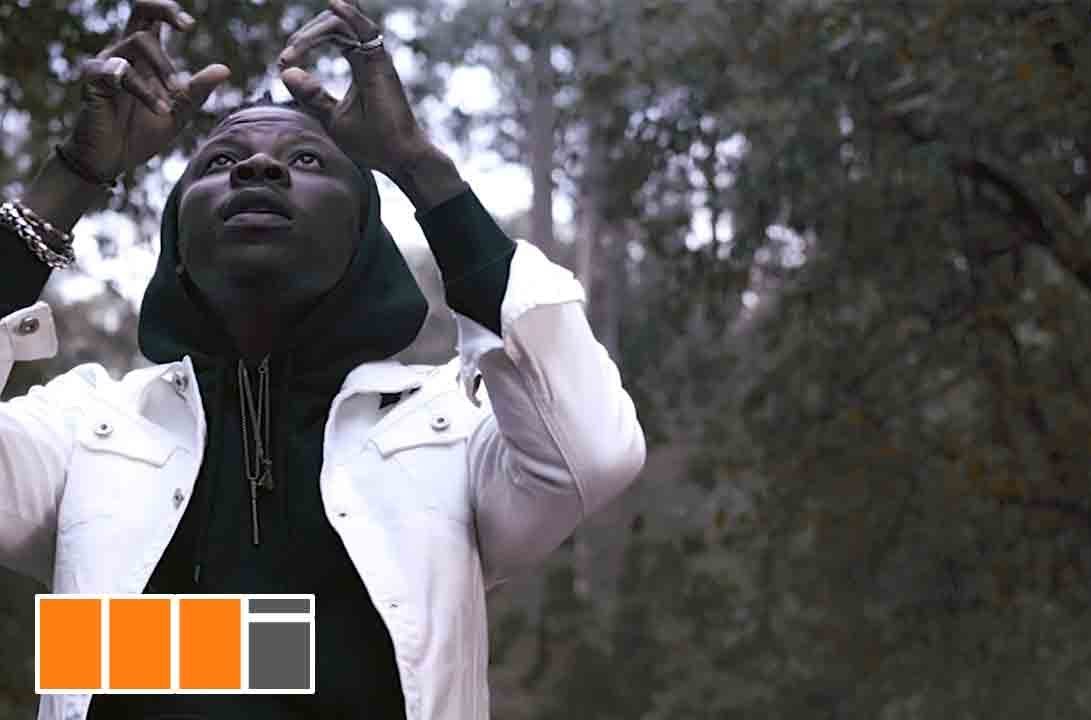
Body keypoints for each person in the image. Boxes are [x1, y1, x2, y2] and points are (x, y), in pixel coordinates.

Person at [0, 1, 646, 718]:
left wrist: (417, 165)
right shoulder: (90, 424)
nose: (257, 167)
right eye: (220, 162)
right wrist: (73, 176)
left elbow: (594, 454)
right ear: (176, 243)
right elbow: (269, 665)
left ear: (364, 240)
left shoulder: (448, 429)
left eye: (305, 160)